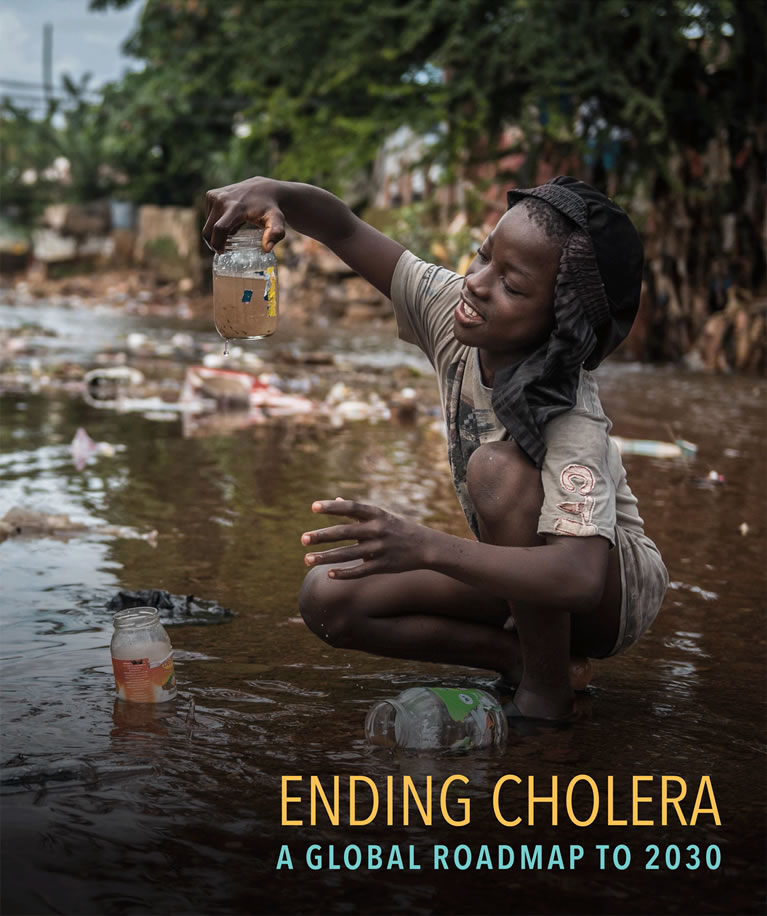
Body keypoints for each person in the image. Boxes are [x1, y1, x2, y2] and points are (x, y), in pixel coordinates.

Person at [202, 175, 669, 723]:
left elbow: (580, 576)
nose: (477, 283)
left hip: (610, 595)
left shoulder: (570, 413)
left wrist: (426, 547)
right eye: (483, 256)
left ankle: (547, 699)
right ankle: (519, 659)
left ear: (559, 329)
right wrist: (274, 192)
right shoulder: (453, 311)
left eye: (513, 287)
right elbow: (344, 228)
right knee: (329, 598)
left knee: (496, 470)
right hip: (527, 575)